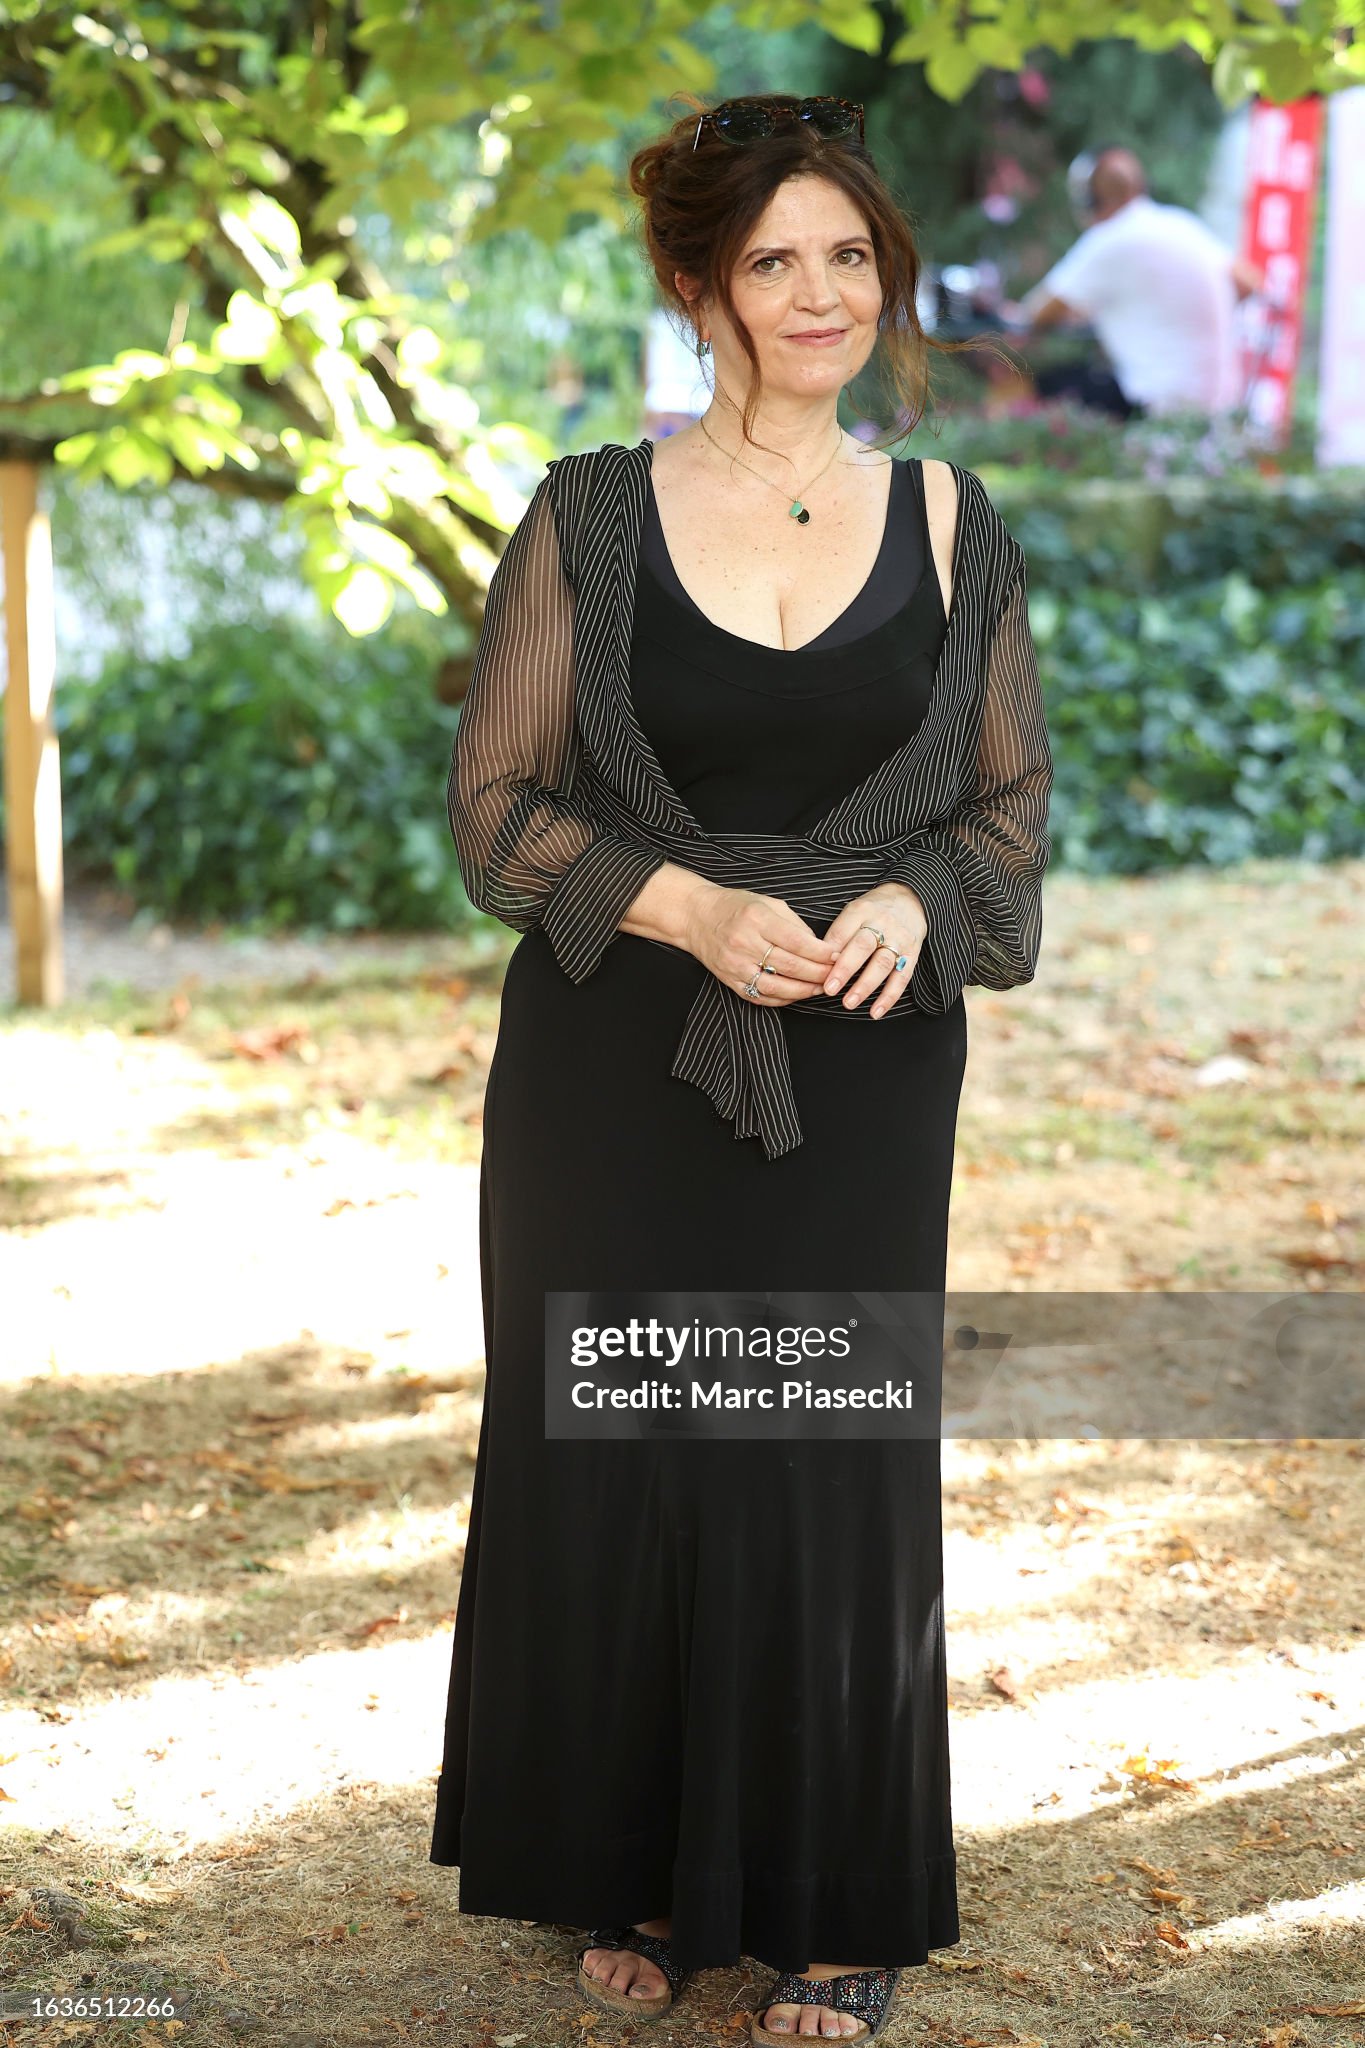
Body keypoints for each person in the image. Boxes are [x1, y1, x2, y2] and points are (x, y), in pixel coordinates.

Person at [430, 92, 1054, 2045]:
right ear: (697, 287)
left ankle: (834, 1902)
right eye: (773, 260)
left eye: (849, 256)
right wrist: (690, 906)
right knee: (620, 1442)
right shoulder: (586, 516)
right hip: (615, 1060)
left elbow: (1005, 815)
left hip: (860, 1069)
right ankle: (624, 1858)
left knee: (821, 1456)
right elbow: (494, 809)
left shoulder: (949, 523)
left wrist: (917, 904)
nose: (818, 293)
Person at [1011, 145, 1259, 419]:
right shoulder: (1181, 224)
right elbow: (1248, 283)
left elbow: (1037, 315)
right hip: (1221, 405)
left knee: (1032, 385)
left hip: (1157, 405)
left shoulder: (1108, 238)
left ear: (1089, 199)